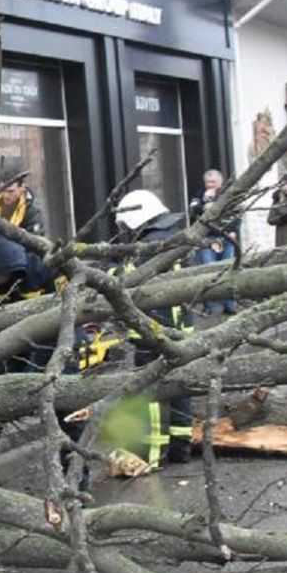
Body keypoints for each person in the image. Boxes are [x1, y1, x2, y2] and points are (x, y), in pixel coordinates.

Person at [0, 231, 86, 484]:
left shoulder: (45, 267)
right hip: (9, 337)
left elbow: (70, 309)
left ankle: (75, 477)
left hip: (56, 334)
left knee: (64, 403)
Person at [113, 189, 194, 465]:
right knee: (180, 386)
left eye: (124, 226)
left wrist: (106, 271)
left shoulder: (151, 244)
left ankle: (152, 454)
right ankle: (181, 446)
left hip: (154, 330)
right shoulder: (174, 236)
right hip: (181, 327)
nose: (123, 232)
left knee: (151, 391)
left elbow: (127, 278)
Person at [188, 169, 239, 315]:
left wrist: (235, 230)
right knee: (208, 272)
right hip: (207, 239)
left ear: (221, 182)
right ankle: (209, 307)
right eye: (208, 182)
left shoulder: (229, 194)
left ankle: (229, 305)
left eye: (214, 182)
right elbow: (192, 212)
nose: (210, 185)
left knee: (228, 270)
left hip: (226, 238)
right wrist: (205, 200)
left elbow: (237, 213)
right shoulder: (199, 195)